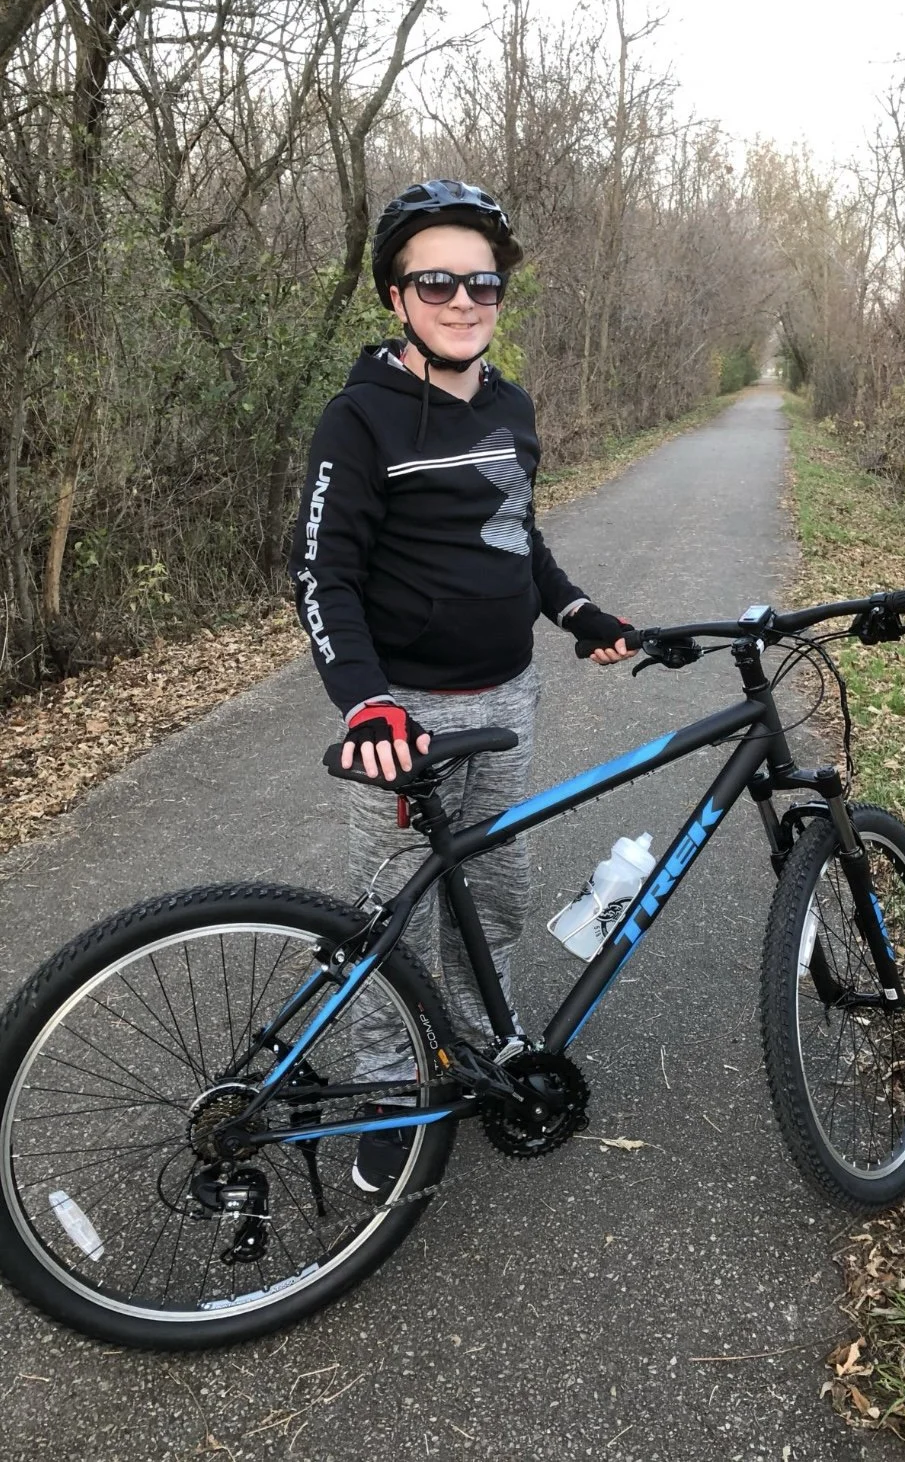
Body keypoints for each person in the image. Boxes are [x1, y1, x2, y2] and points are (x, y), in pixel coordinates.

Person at [288, 178, 635, 1190]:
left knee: (496, 889)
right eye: (434, 279)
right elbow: (322, 574)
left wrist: (577, 612)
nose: (462, 298)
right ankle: (389, 1093)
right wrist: (366, 701)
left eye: (480, 280)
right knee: (386, 910)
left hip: (509, 696)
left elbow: (515, 535)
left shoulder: (512, 407)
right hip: (407, 713)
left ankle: (487, 1049)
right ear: (397, 296)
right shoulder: (360, 420)